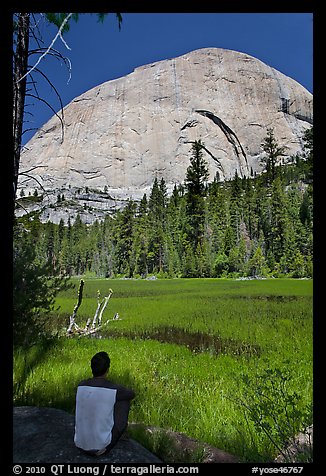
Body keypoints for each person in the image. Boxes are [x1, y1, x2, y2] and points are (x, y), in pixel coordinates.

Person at [74, 351, 135, 456]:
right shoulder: (114, 389)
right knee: (124, 401)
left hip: (79, 444)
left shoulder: (81, 385)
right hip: (101, 447)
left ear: (92, 368)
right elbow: (131, 394)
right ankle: (110, 440)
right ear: (107, 369)